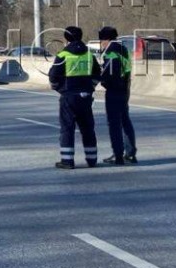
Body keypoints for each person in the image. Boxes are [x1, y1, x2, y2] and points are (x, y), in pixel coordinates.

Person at [47, 26, 101, 169]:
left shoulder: (64, 55)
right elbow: (97, 73)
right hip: (86, 97)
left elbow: (53, 75)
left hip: (69, 97)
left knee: (67, 128)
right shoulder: (89, 54)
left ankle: (67, 160)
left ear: (66, 38)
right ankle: (92, 159)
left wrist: (57, 87)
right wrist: (91, 87)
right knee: (88, 128)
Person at [97, 26, 137, 164]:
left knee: (114, 124)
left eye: (101, 40)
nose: (101, 43)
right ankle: (130, 153)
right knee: (125, 120)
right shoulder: (123, 49)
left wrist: (102, 81)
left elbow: (109, 73)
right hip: (125, 88)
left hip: (114, 90)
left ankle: (118, 155)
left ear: (105, 39)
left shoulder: (111, 52)